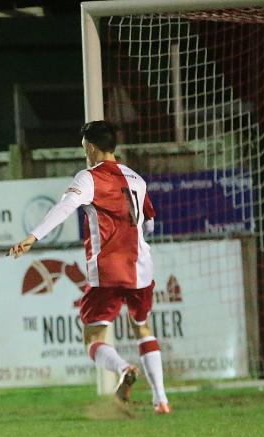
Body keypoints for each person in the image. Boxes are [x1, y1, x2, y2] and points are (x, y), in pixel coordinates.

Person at [10, 120, 170, 414]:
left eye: (85, 148)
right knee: (142, 326)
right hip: (142, 269)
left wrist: (33, 236)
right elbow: (149, 221)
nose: (85, 153)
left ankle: (124, 369)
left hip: (107, 271)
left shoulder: (89, 178)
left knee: (92, 337)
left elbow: (65, 208)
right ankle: (161, 400)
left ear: (92, 148)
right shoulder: (136, 179)